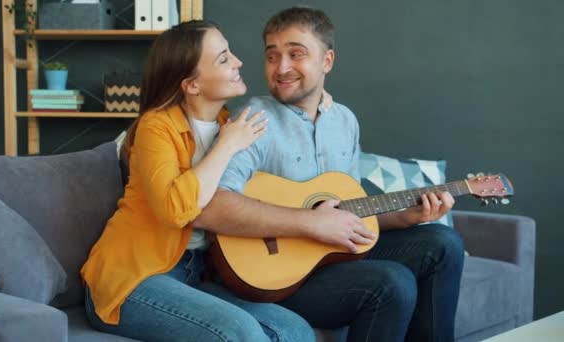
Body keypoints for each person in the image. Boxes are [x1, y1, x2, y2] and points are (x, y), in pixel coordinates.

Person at [195, 7, 465, 342]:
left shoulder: (345, 121)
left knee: (443, 243)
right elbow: (211, 208)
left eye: (296, 54)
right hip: (275, 274)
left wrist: (405, 217)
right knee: (392, 282)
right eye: (272, 56)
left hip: (328, 255)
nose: (281, 68)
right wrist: (310, 221)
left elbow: (345, 213)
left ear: (327, 61)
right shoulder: (252, 120)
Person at [80, 20, 316, 341]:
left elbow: (253, 194)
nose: (238, 62)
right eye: (223, 58)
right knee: (241, 332)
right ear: (191, 85)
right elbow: (175, 210)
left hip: (193, 273)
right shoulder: (156, 127)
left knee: (295, 330)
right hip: (133, 278)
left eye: (229, 53)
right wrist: (227, 145)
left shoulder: (227, 123)